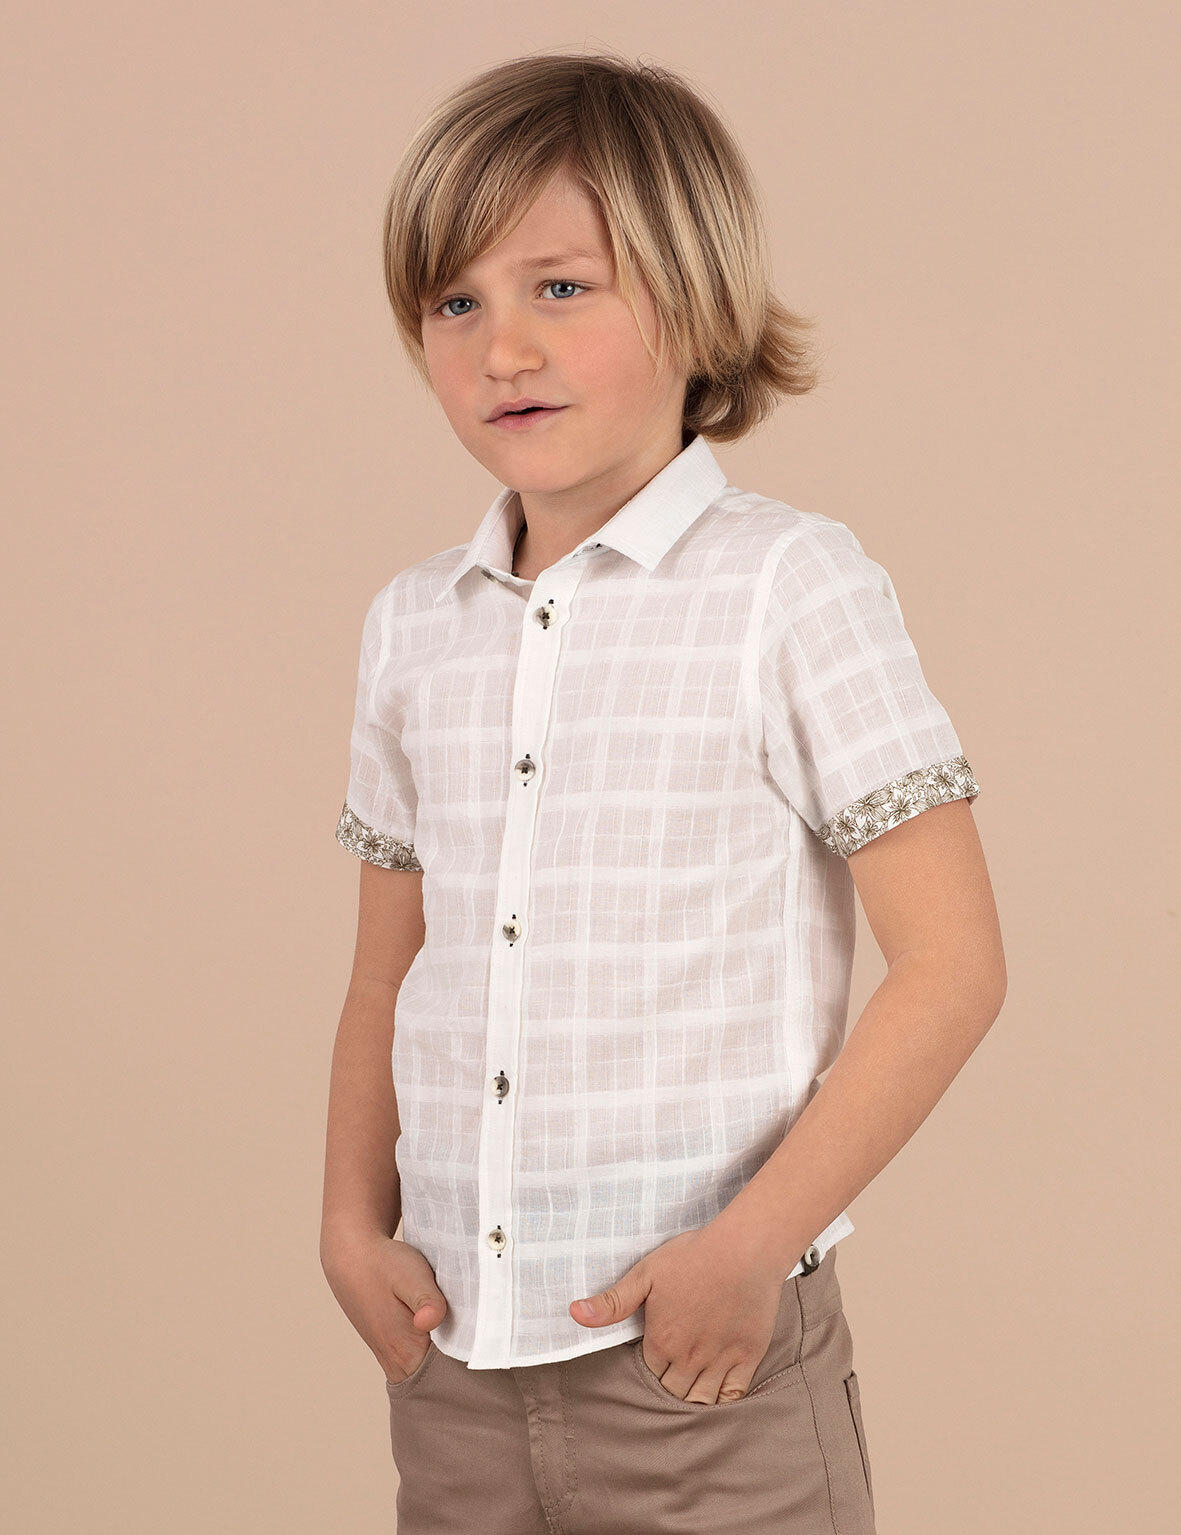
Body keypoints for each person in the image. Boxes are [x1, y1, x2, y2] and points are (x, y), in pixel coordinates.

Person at [319, 49, 1005, 1535]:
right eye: (455, 303)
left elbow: (952, 967)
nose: (503, 348)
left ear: (692, 303)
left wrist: (747, 1250)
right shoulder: (412, 626)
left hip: (705, 1371)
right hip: (455, 1365)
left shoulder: (789, 586)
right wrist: (346, 1224)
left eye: (560, 287)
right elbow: (387, 973)